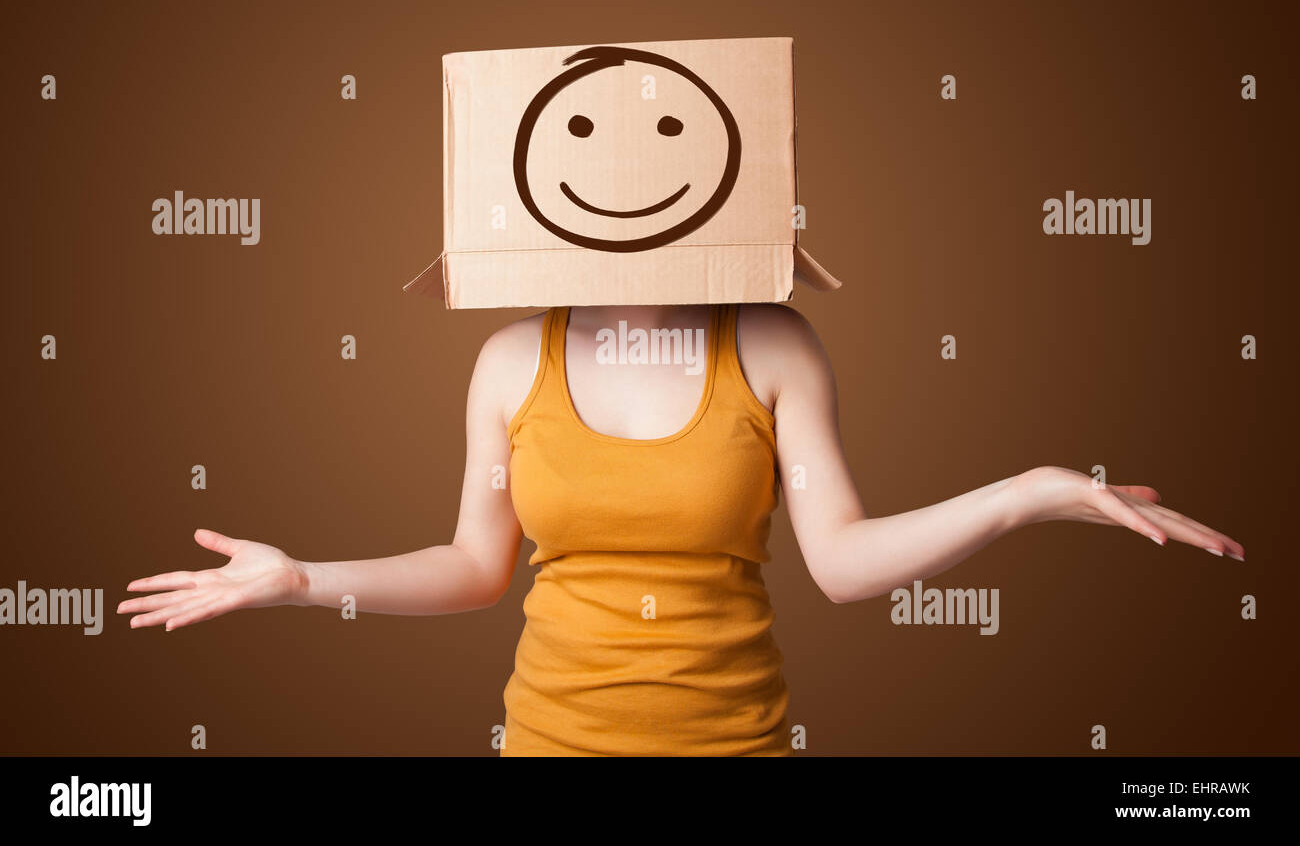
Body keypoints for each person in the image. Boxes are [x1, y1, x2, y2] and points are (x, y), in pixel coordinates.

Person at [117, 301, 1245, 756]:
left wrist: (1029, 493)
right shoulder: (513, 360)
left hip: (734, 747)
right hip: (553, 747)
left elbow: (842, 564)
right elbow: (473, 565)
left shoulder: (772, 344)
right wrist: (305, 578)